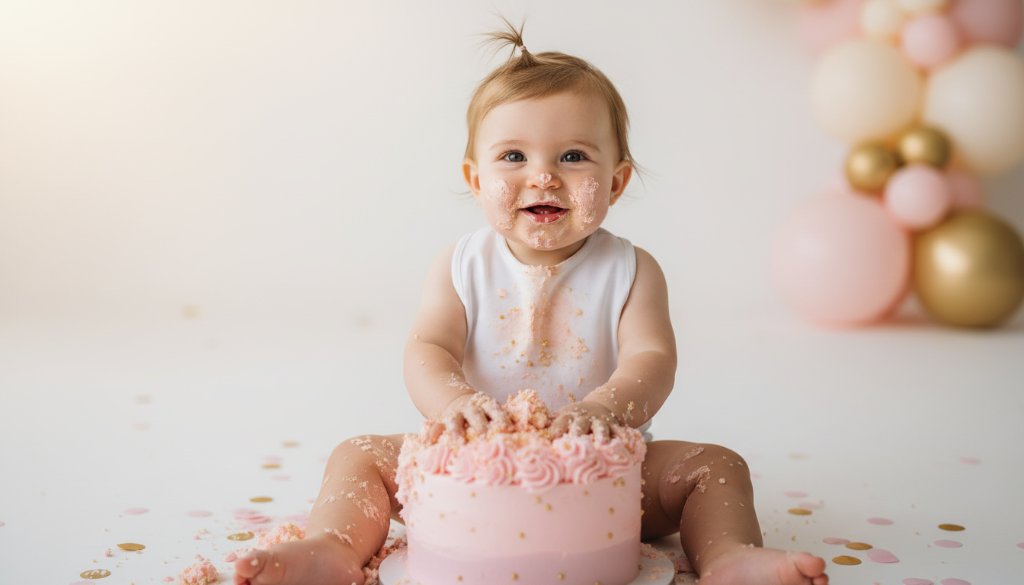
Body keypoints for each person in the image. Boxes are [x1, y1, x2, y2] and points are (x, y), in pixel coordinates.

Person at [234, 22, 829, 585]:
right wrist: (455, 403)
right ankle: (332, 548)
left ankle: (727, 557)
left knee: (716, 465)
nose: (542, 177)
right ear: (474, 177)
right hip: (469, 470)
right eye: (513, 157)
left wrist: (606, 408)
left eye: (573, 157)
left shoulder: (631, 269)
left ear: (617, 182)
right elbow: (428, 348)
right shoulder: (461, 264)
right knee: (357, 454)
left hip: (606, 476)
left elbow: (652, 358)